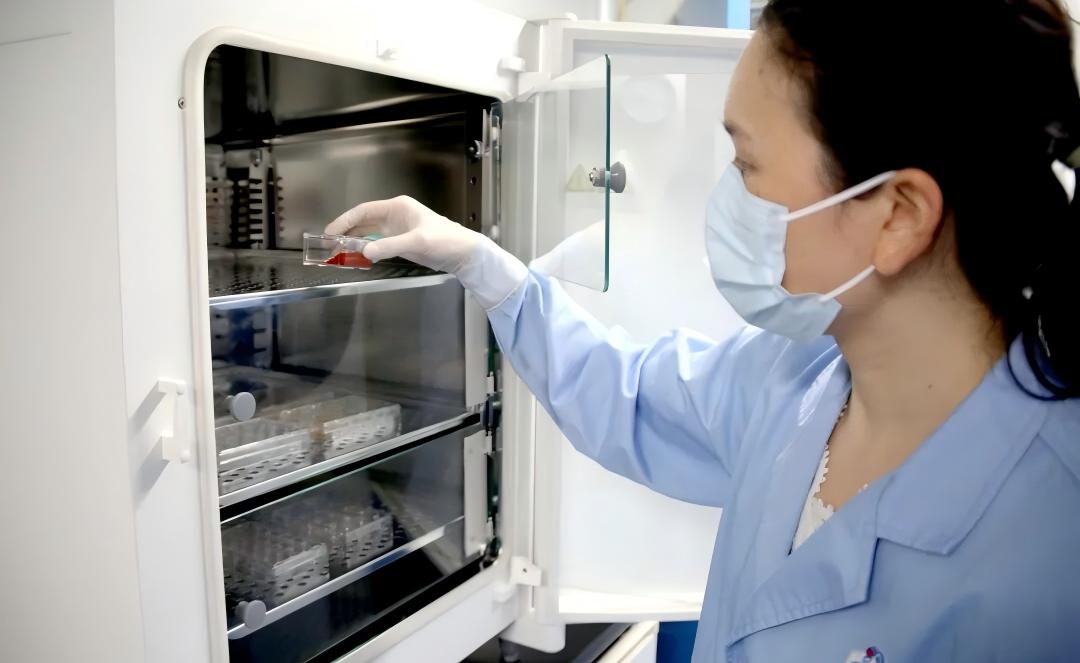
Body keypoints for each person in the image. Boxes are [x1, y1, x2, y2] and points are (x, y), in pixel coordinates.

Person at [326, 1, 1080, 660]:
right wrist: (481, 264)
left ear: (899, 215)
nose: (728, 199)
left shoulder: (1051, 551)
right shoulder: (797, 379)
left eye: (748, 163)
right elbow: (629, 393)